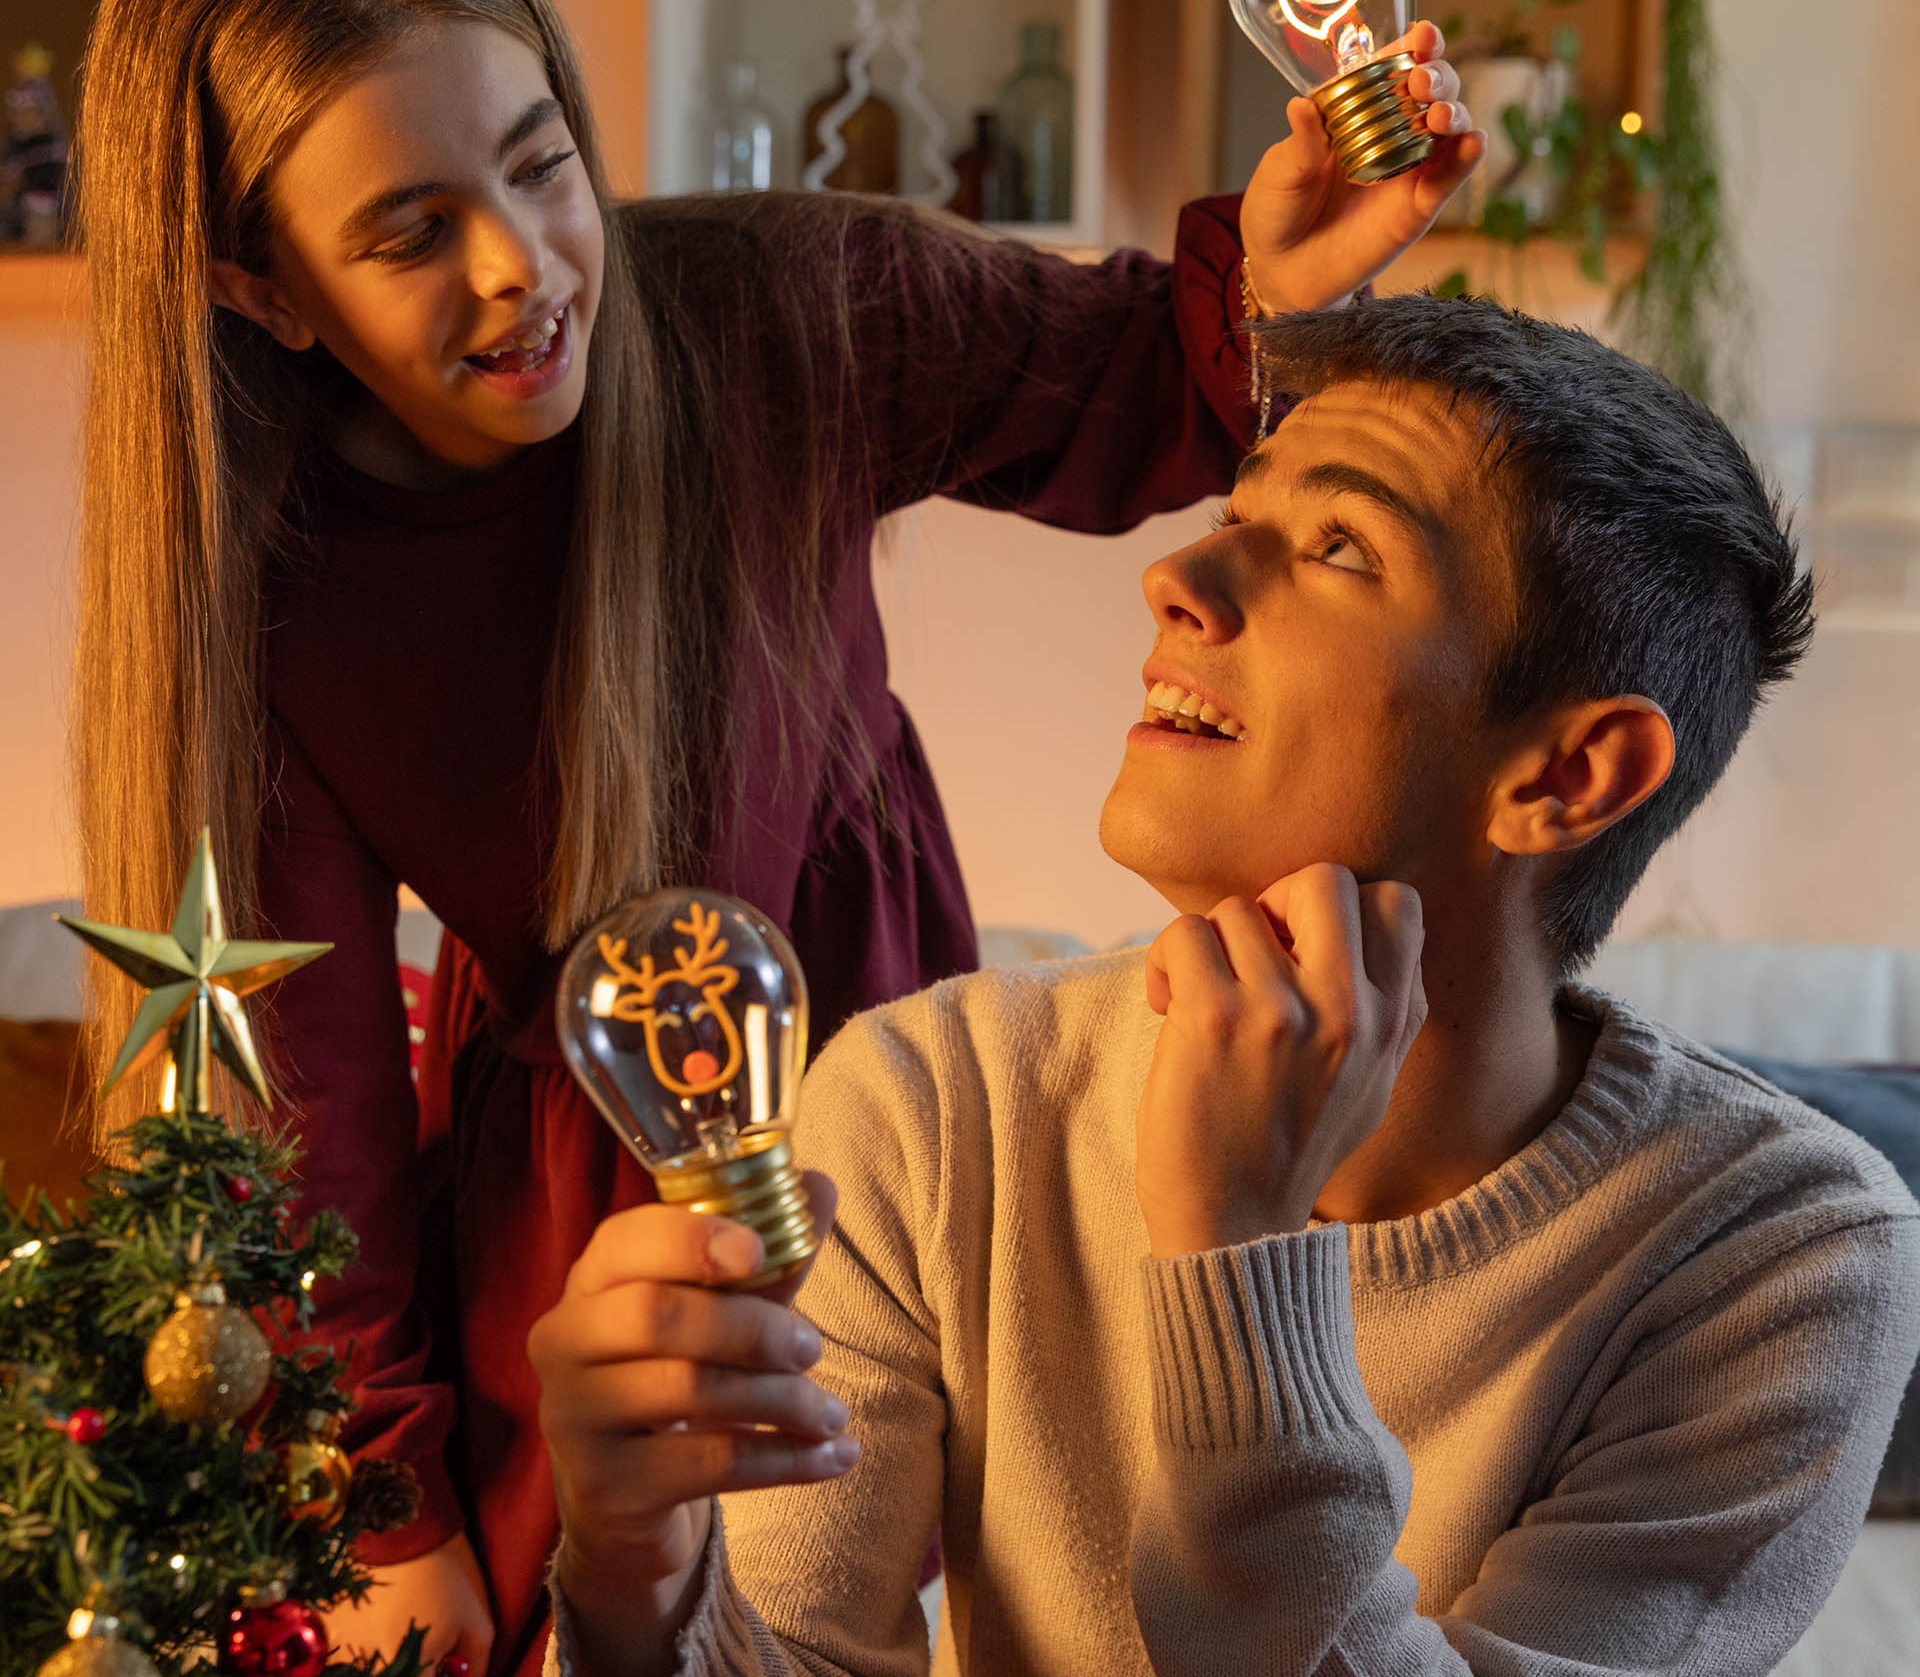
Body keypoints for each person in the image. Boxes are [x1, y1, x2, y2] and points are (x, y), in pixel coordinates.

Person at [68, 0, 1481, 1675]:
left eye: (541, 165)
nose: (520, 269)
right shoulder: (271, 613)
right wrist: (390, 1513)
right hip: (589, 1225)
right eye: (410, 235)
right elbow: (304, 1126)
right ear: (264, 290)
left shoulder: (788, 311)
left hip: (916, 1098)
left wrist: (1274, 272)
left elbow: (1123, 374)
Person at [528, 295, 1920, 1676]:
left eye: (1340, 546)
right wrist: (634, 1572)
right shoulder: (938, 1096)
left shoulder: (1790, 1259)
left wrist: (1238, 1264)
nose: (1176, 578)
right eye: (1234, 511)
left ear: (1567, 774)